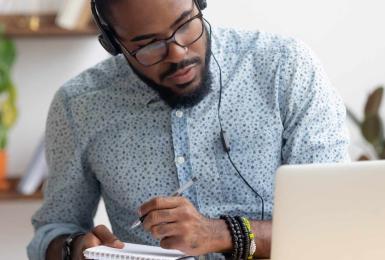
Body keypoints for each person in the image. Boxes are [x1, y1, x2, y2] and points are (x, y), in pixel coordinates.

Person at [27, 0, 350, 259]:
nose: (178, 53)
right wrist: (74, 248)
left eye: (184, 25)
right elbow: (53, 230)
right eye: (148, 44)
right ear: (114, 45)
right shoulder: (79, 104)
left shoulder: (285, 68)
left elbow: (335, 222)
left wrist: (222, 234)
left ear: (200, 5)